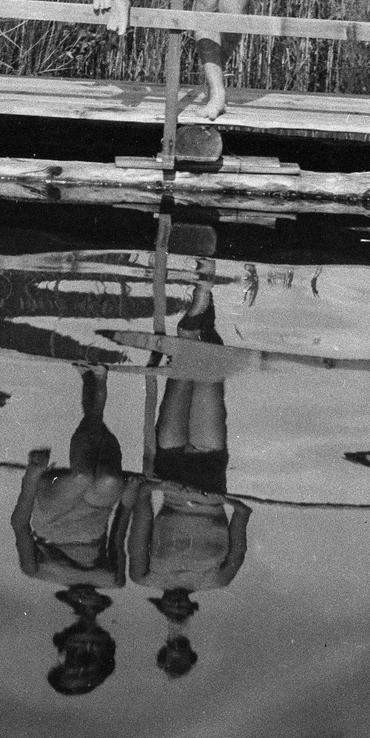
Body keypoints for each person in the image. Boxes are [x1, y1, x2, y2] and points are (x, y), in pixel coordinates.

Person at [128, 273, 251, 677]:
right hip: (211, 473)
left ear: (164, 639)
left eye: (170, 650)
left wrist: (148, 487)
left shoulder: (143, 575)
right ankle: (203, 309)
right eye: (184, 651)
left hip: (170, 472)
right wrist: (229, 503)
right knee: (211, 378)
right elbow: (243, 517)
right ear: (191, 644)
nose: (178, 608)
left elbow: (141, 515)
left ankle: (197, 311)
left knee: (182, 372)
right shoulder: (220, 579)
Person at [11, 364, 136, 592]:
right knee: (110, 480)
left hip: (51, 517)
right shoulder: (112, 581)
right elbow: (117, 540)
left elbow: (19, 526)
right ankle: (92, 387)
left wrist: (32, 476)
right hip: (93, 519)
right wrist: (128, 503)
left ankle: (97, 382)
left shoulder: (36, 571)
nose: (88, 601)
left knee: (82, 476)